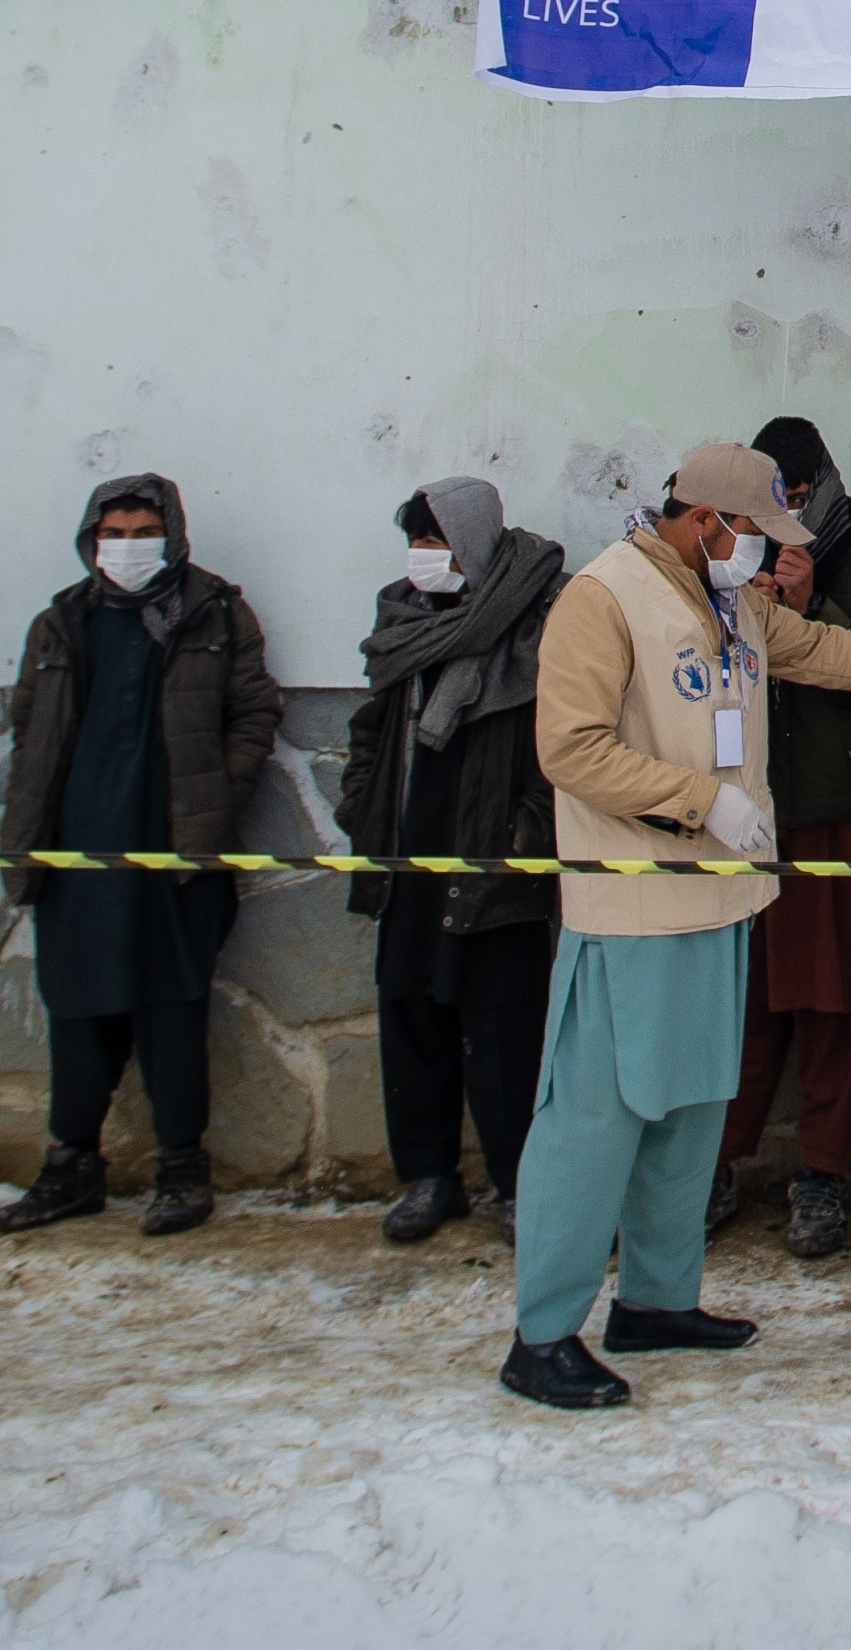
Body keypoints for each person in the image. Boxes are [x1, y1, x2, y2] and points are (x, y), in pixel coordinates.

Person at [500, 442, 851, 1411]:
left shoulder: (730, 603)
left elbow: (830, 651)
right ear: (706, 520)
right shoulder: (604, 597)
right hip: (631, 910)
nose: (762, 556)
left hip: (719, 903)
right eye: (753, 533)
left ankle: (656, 1303)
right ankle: (541, 1333)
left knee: (691, 1113)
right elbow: (567, 747)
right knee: (594, 1123)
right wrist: (696, 801)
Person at [0, 476, 283, 1238]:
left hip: (176, 849)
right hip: (76, 850)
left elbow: (253, 713)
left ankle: (182, 1168)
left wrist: (219, 795)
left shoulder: (215, 612)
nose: (126, 546)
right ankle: (71, 1166)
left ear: (172, 532)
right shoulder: (63, 620)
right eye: (112, 532)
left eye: (141, 530)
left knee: (171, 1006)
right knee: (77, 1007)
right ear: (92, 539)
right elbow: (31, 728)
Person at [710, 416, 851, 1261]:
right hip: (744, 813)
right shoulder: (728, 557)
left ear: (823, 488)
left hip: (840, 816)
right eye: (769, 504)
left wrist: (812, 606)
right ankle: (714, 1169)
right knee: (744, 1003)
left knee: (832, 1008)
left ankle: (822, 1178)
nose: (782, 519)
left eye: (796, 500)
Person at [340, 477, 565, 1244]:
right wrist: (359, 810)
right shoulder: (403, 618)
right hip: (410, 850)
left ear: (473, 544)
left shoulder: (539, 618)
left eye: (436, 542)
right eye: (416, 542)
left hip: (497, 862)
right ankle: (429, 1177)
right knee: (411, 1015)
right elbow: (371, 728)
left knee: (505, 1032)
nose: (422, 558)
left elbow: (559, 742)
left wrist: (525, 840)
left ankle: (517, 1182)